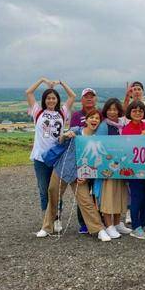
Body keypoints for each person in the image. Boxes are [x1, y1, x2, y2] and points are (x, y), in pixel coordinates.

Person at [35, 109, 111, 242]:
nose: (94, 120)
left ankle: (99, 229)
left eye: (97, 118)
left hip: (80, 174)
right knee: (53, 195)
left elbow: (96, 160)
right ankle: (47, 227)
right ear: (86, 120)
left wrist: (87, 176)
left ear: (99, 122)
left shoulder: (96, 140)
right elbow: (59, 141)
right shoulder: (76, 130)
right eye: (91, 117)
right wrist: (65, 135)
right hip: (62, 168)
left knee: (86, 201)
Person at [25, 77, 75, 232]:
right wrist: (41, 80)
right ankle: (47, 220)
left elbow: (72, 96)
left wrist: (60, 83)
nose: (51, 100)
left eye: (53, 98)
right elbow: (29, 92)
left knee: (56, 189)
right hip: (40, 157)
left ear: (57, 99)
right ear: (44, 100)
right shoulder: (38, 112)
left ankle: (57, 218)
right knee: (43, 189)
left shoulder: (62, 112)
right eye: (48, 98)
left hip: (57, 156)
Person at [96, 98, 132, 238]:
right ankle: (109, 225)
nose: (112, 112)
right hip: (108, 168)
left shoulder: (122, 125)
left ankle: (117, 223)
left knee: (120, 195)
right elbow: (99, 145)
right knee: (108, 196)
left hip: (122, 166)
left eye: (115, 109)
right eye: (110, 109)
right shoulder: (104, 125)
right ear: (106, 110)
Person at [121, 100, 145, 239]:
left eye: (140, 111)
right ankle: (135, 226)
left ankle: (144, 223)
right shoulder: (126, 129)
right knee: (136, 197)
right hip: (134, 170)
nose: (137, 113)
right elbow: (127, 148)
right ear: (130, 113)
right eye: (134, 111)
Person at [68, 87, 98, 234]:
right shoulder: (76, 115)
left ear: (95, 99)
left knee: (96, 191)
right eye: (86, 96)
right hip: (81, 158)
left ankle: (98, 220)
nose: (89, 99)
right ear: (82, 99)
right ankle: (84, 223)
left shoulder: (99, 114)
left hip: (97, 158)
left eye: (92, 96)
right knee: (83, 191)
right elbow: (73, 135)